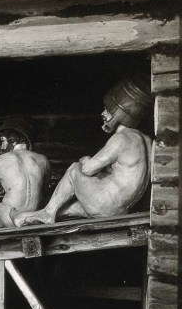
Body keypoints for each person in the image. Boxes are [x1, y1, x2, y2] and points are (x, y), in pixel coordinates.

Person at [14, 75, 152, 227]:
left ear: (120, 113)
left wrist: (85, 159)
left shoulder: (121, 139)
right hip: (123, 209)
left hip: (106, 204)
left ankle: (47, 213)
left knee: (75, 169)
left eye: (107, 110)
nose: (103, 114)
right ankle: (32, 216)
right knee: (69, 208)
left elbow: (87, 169)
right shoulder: (147, 140)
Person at [0, 119, 50, 229]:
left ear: (13, 141)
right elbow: (45, 189)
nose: (2, 145)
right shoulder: (43, 159)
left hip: (10, 217)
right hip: (35, 215)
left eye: (3, 140)